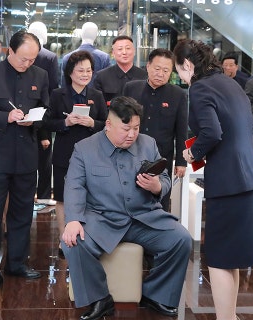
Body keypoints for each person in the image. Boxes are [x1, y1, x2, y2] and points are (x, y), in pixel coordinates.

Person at [61, 96, 192, 320]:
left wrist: (157, 186)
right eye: (126, 128)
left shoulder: (148, 143)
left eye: (136, 128)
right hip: (102, 219)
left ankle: (156, 294)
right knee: (72, 242)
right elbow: (74, 185)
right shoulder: (85, 149)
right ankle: (99, 299)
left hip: (143, 217)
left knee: (181, 239)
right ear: (109, 125)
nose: (132, 134)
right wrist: (73, 219)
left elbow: (164, 177)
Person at [174, 39, 253, 320]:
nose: (181, 77)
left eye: (180, 70)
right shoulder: (229, 83)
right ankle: (231, 316)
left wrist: (193, 153)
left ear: (187, 65)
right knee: (231, 256)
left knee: (218, 258)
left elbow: (211, 132)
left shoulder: (200, 88)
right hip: (249, 178)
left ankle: (226, 318)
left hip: (227, 183)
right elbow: (251, 129)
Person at [0, 30, 50, 280]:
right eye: (23, 58)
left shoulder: (41, 75)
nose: (28, 64)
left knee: (23, 212)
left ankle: (17, 263)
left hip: (26, 155)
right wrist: (6, 116)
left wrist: (33, 122)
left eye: (33, 59)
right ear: (10, 52)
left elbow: (46, 110)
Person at [43, 50, 107, 255]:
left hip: (92, 154)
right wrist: (65, 122)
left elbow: (107, 125)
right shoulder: (57, 95)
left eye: (89, 71)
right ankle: (65, 241)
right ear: (70, 72)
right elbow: (47, 123)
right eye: (81, 71)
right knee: (63, 198)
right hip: (64, 153)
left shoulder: (96, 95)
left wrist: (92, 123)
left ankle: (87, 239)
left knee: (91, 197)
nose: (85, 74)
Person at [122, 48, 188, 210]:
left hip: (161, 157)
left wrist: (181, 161)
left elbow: (181, 131)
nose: (160, 73)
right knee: (128, 198)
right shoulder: (131, 88)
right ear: (148, 67)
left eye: (166, 70)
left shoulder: (178, 94)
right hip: (130, 154)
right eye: (157, 69)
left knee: (160, 201)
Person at [29, 21, 60, 205]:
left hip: (26, 113)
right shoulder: (49, 57)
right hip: (44, 113)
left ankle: (31, 197)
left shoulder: (21, 54)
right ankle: (43, 196)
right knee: (45, 162)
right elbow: (53, 89)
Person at [94, 35, 148, 103]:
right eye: (120, 49)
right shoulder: (101, 77)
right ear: (113, 53)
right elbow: (98, 105)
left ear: (134, 51)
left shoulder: (144, 76)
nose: (124, 52)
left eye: (128, 48)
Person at [61, 22, 110, 87]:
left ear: (82, 34)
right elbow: (106, 84)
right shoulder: (104, 58)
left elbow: (64, 84)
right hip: (96, 96)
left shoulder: (67, 57)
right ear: (96, 35)